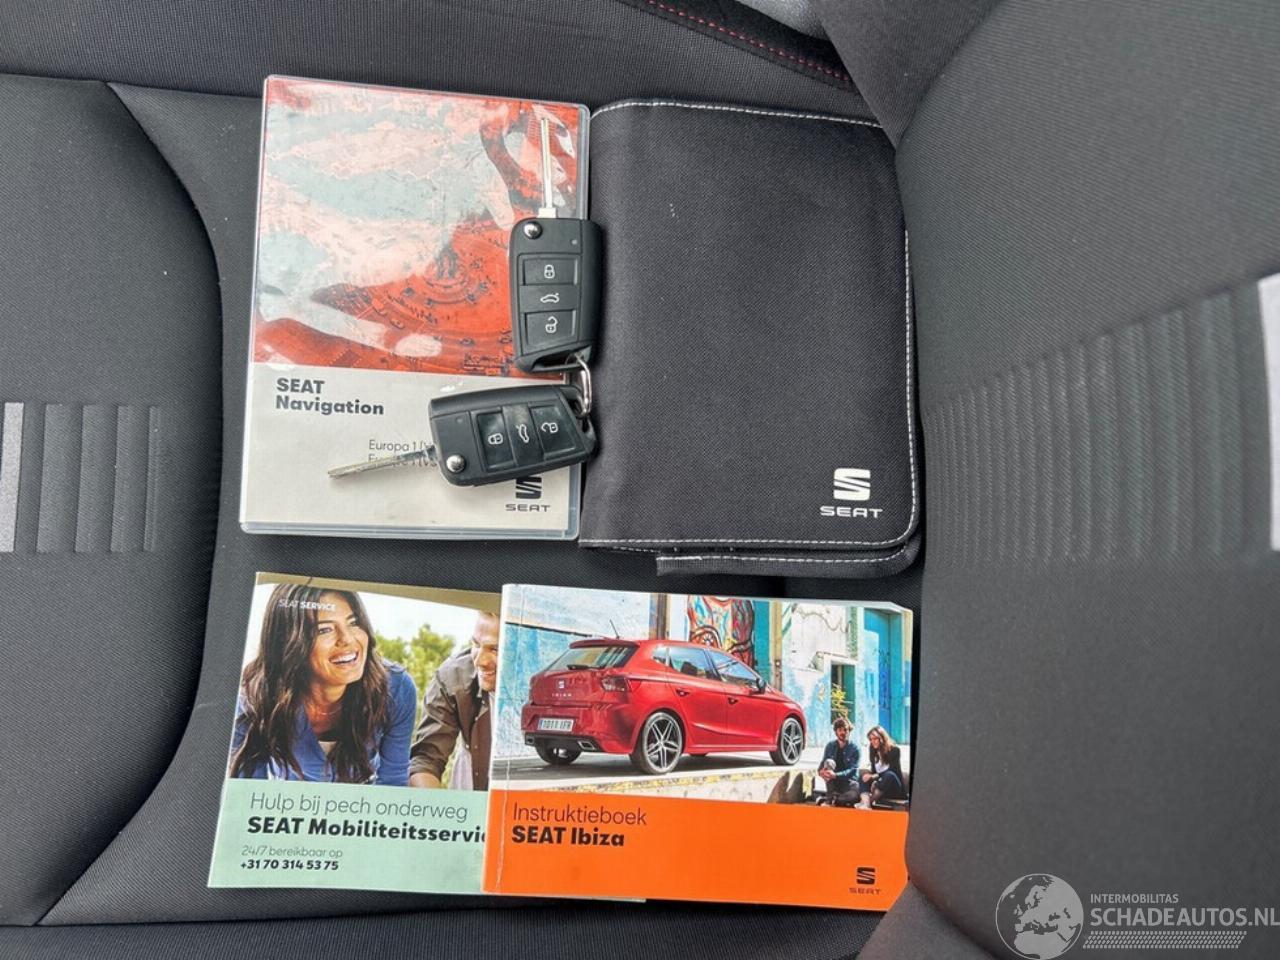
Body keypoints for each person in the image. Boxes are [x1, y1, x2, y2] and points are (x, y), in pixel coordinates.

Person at [229, 583, 418, 785]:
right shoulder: (255, 695)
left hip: (363, 803)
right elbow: (245, 789)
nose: (347, 639)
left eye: (354, 622)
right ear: (289, 642)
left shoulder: (395, 688)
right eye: (324, 629)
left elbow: (393, 781)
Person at [408, 610, 500, 790]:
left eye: (495, 649)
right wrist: (434, 805)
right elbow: (426, 760)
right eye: (476, 644)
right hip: (474, 780)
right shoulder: (453, 678)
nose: (480, 661)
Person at [858, 724, 908, 806]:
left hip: (894, 788)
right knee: (863, 776)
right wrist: (871, 779)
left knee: (889, 775)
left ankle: (867, 803)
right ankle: (866, 804)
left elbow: (893, 770)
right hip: (879, 785)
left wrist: (874, 777)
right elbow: (873, 770)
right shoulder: (872, 749)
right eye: (870, 739)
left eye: (875, 739)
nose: (872, 742)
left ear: (882, 738)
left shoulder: (895, 750)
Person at [817, 716, 860, 804]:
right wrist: (820, 771)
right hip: (833, 782)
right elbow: (823, 762)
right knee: (829, 762)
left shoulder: (855, 748)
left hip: (848, 782)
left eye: (845, 730)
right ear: (836, 732)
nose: (843, 732)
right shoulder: (830, 745)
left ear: (849, 731)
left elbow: (852, 770)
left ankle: (834, 799)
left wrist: (836, 775)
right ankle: (829, 798)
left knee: (854, 795)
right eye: (840, 730)